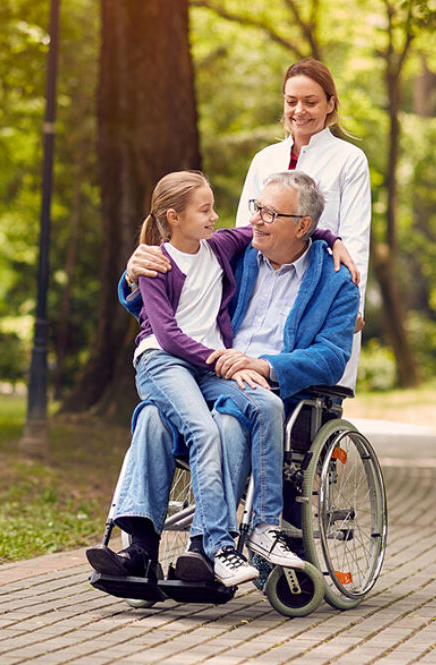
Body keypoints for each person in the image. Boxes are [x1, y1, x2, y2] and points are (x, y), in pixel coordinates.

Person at [92, 171, 359, 585]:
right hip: (201, 369)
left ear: (301, 226)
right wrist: (132, 274)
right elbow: (167, 313)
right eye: (258, 207)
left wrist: (266, 366)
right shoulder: (233, 251)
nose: (255, 219)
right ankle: (140, 549)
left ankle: (206, 548)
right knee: (151, 417)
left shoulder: (337, 280)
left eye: (269, 213)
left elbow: (332, 355)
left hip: (262, 387)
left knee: (229, 422)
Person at [133, 58, 371, 389]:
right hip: (259, 288)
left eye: (311, 102)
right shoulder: (265, 159)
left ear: (331, 104)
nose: (299, 110)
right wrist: (134, 272)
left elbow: (356, 239)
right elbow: (246, 231)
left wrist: (351, 310)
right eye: (291, 101)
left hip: (315, 293)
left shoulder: (349, 160)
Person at [87, 170, 263, 587]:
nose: (215, 216)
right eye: (205, 210)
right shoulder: (155, 263)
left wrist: (332, 239)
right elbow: (165, 336)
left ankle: (176, 550)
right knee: (203, 430)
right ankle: (217, 545)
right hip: (162, 362)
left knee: (243, 407)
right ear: (174, 216)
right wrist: (216, 357)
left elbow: (268, 226)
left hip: (202, 367)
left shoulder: (218, 247)